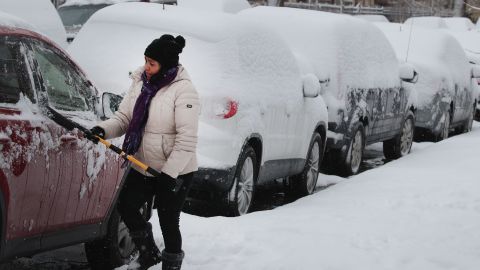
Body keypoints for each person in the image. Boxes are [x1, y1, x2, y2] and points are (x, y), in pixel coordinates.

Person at [89, 34, 199, 270]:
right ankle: (148, 253)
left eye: (152, 63)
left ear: (166, 65)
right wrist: (102, 130)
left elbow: (187, 140)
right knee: (127, 205)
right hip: (143, 163)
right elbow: (124, 118)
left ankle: (171, 264)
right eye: (146, 60)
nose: (147, 67)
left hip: (176, 169)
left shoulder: (184, 90)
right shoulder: (140, 81)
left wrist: (170, 174)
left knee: (168, 220)